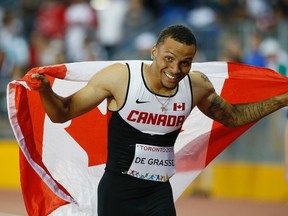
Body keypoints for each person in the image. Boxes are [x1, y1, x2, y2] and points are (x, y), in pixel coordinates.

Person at [31, 24, 288, 216]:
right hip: (118, 193)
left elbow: (233, 117)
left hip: (158, 194)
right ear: (154, 51)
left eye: (185, 63)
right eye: (169, 59)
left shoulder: (196, 86)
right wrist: (45, 90)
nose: (175, 70)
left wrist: (280, 100)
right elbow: (61, 112)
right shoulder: (120, 79)